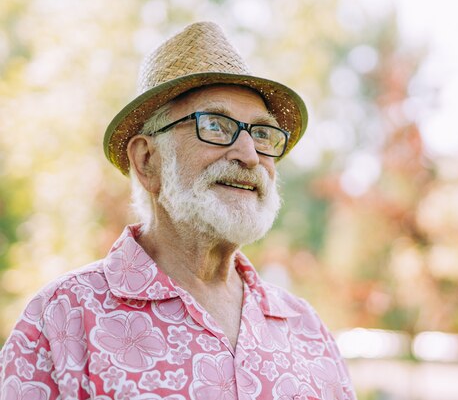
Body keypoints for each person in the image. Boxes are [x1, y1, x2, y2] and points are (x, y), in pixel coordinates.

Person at [0, 22, 356, 400]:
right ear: (147, 161)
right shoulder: (64, 317)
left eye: (263, 133)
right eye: (216, 126)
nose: (249, 155)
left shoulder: (305, 328)